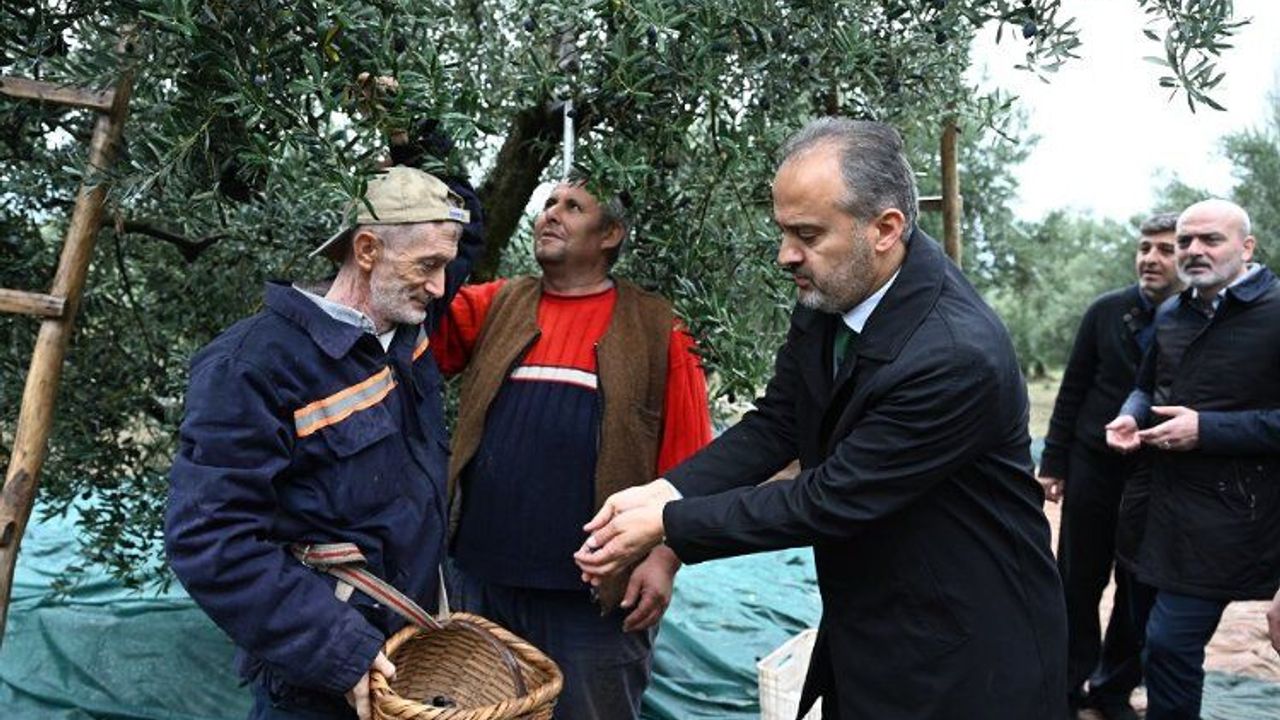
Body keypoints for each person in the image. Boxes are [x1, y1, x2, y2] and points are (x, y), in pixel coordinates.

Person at [575, 117, 1067, 719]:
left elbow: (831, 498)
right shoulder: (834, 293)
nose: (786, 255)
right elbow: (779, 421)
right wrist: (667, 489)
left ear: (884, 229)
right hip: (873, 626)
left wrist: (670, 524)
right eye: (783, 231)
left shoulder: (955, 356)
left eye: (806, 234)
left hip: (964, 655)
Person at [165, 164, 484, 720]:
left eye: (445, 266)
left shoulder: (406, 319)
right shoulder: (253, 367)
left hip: (409, 654)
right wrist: (339, 652)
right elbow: (209, 538)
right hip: (322, 684)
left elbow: (467, 229)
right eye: (428, 266)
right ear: (366, 250)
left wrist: (417, 142)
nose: (441, 287)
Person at [430, 174, 712, 719]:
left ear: (610, 234)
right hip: (482, 582)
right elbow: (422, 323)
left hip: (593, 603)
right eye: (548, 203)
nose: (551, 214)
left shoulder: (660, 328)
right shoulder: (496, 304)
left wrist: (665, 559)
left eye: (573, 206)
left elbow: (692, 465)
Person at [1105, 198, 1280, 720]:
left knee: (1169, 643)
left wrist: (1207, 430)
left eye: (1211, 239)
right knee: (1149, 640)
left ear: (1246, 247)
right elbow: (1147, 387)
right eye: (1185, 241)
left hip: (1228, 518)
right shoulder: (1171, 313)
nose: (1194, 250)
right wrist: (1130, 415)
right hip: (1152, 509)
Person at [1038, 213, 1182, 719]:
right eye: (1145, 247)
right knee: (1077, 580)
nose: (1151, 258)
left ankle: (1113, 689)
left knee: (1139, 587)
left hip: (1160, 474)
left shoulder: (1198, 322)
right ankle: (1063, 686)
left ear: (1186, 257)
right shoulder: (1105, 310)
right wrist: (1053, 463)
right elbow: (1072, 388)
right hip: (1092, 467)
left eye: (1165, 249)